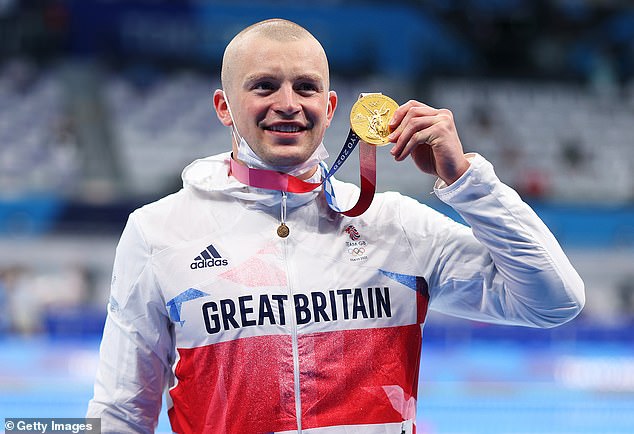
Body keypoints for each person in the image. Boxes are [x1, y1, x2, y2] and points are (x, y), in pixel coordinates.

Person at [87, 18, 585, 434]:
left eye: (306, 87)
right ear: (224, 107)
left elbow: (554, 302)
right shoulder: (158, 231)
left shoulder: (396, 224)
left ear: (329, 109)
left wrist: (467, 182)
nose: (288, 103)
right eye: (264, 86)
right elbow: (119, 411)